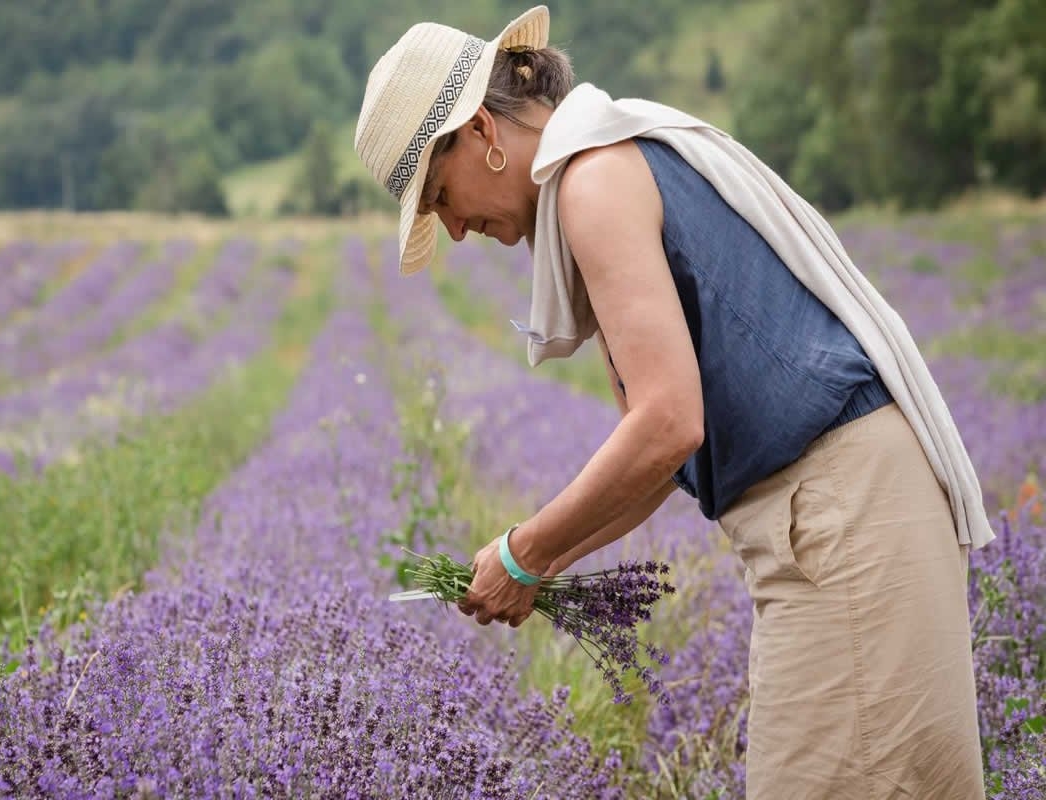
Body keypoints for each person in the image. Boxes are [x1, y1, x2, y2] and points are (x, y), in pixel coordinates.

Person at [354, 7, 993, 799]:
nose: (452, 230)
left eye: (438, 197)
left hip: (842, 521)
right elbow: (660, 455)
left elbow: (667, 423)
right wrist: (542, 562)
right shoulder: (602, 169)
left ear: (481, 129)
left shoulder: (593, 182)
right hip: (846, 517)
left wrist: (521, 551)